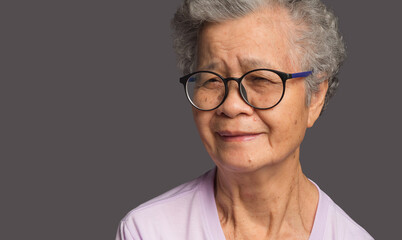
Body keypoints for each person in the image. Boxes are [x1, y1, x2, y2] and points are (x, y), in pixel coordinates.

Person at [116, 0, 374, 239]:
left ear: (315, 95)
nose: (231, 105)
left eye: (261, 79)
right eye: (212, 80)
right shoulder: (149, 231)